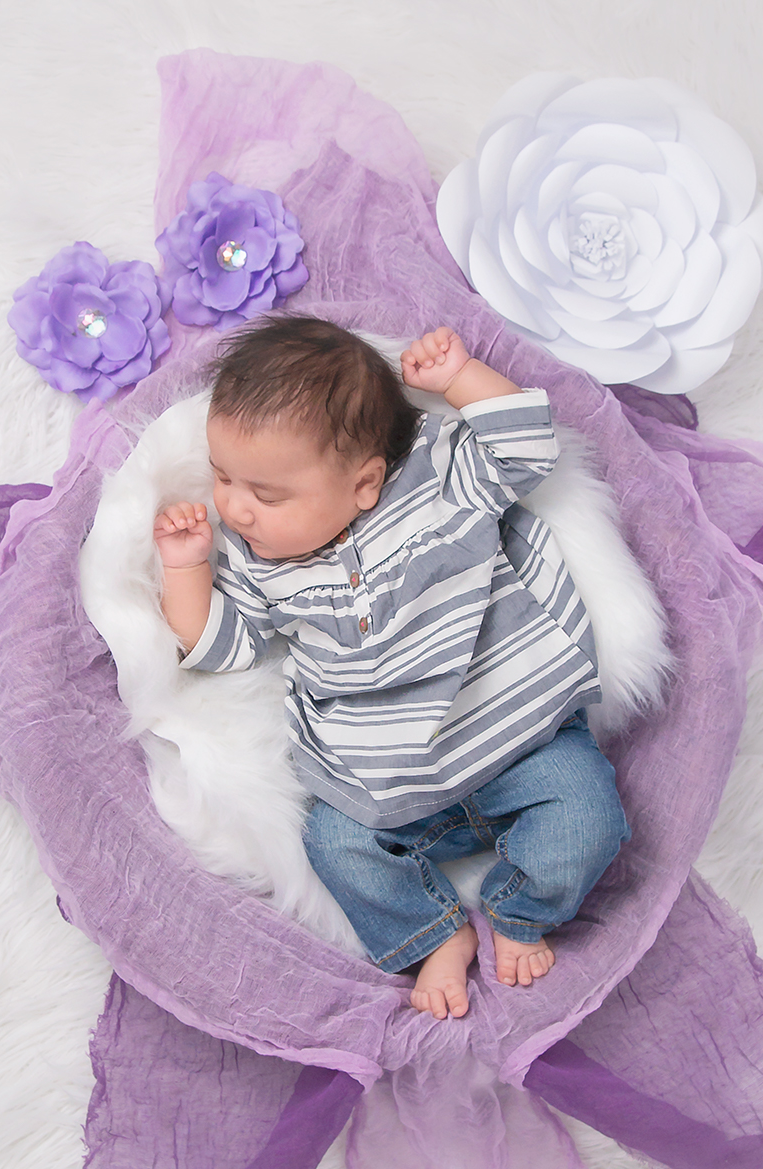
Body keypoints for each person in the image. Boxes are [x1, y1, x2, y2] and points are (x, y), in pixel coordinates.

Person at [154, 316, 629, 1020]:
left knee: (590, 817)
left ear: (366, 483)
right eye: (224, 476)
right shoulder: (260, 566)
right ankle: (434, 933)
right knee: (330, 842)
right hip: (384, 789)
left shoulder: (440, 480)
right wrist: (186, 568)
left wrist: (458, 379)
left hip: (520, 741)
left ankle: (520, 909)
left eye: (267, 494)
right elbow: (223, 646)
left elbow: (528, 448)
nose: (234, 506)